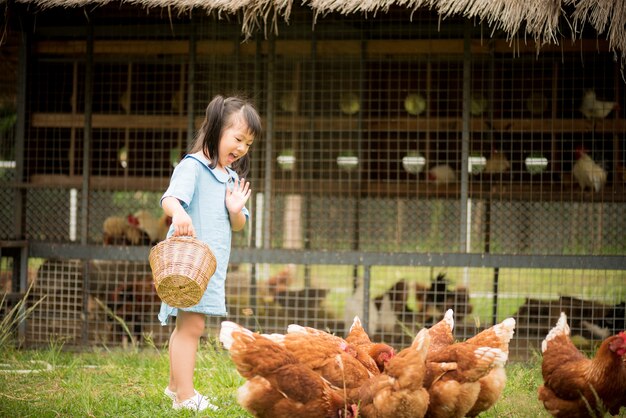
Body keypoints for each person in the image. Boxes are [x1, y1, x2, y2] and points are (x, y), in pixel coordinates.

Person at [158, 94, 261, 411]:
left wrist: (235, 209)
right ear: (216, 129)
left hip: (210, 268)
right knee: (192, 326)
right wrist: (179, 214)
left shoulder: (231, 178)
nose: (242, 148)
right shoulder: (194, 167)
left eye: (248, 143)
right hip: (188, 266)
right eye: (238, 138)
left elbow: (240, 225)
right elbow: (169, 199)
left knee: (186, 325)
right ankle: (186, 398)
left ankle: (175, 389)